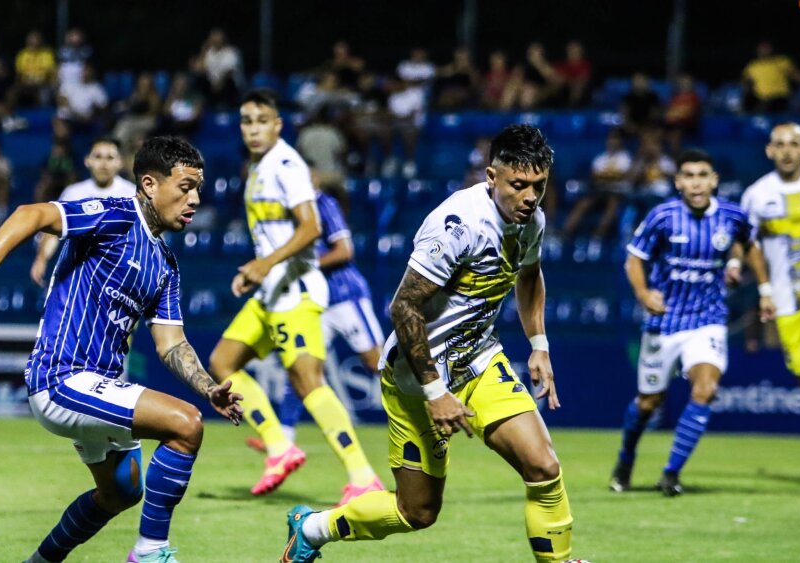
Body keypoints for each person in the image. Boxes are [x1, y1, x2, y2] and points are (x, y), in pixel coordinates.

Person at [0, 136, 243, 563]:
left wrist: (208, 388)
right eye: (185, 186)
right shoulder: (114, 216)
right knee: (186, 425)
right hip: (60, 378)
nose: (194, 199)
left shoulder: (166, 265)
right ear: (150, 184)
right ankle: (150, 552)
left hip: (100, 384)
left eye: (198, 190)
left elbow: (170, 343)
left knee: (122, 492)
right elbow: (32, 214)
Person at [280, 124, 575, 563]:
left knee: (544, 467)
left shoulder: (531, 219)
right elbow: (403, 309)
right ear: (491, 177)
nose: (530, 197)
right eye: (519, 185)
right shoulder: (457, 224)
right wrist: (436, 392)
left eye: (539, 185)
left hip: (478, 359)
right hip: (416, 377)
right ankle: (313, 528)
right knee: (417, 510)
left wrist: (539, 343)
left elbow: (529, 274)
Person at [208, 88, 384, 503]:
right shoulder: (258, 168)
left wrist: (264, 265)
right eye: (246, 121)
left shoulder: (287, 164)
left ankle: (362, 475)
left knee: (308, 382)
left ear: (277, 125)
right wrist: (259, 272)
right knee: (221, 363)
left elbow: (311, 228)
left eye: (261, 120)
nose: (253, 129)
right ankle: (280, 446)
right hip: (271, 293)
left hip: (297, 292)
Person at [609, 149, 775, 497]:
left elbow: (750, 244)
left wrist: (764, 288)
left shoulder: (732, 216)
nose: (696, 182)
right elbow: (634, 259)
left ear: (714, 180)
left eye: (703, 175)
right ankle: (625, 459)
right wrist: (643, 294)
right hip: (663, 322)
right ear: (678, 181)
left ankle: (671, 473)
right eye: (689, 175)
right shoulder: (662, 216)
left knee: (706, 389)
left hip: (708, 320)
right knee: (647, 404)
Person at [246, 171, 385, 451]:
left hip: (346, 295)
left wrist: (301, 266)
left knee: (377, 362)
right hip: (315, 301)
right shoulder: (290, 213)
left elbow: (344, 250)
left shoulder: (323, 203)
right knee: (300, 366)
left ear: (315, 179)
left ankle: (425, 408)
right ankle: (284, 439)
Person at [741, 123, 800, 433]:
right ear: (770, 151)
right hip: (786, 298)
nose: (787, 150)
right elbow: (745, 244)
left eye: (794, 144)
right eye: (780, 144)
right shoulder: (757, 195)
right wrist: (758, 283)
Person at [30, 136, 136, 286]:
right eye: (98, 157)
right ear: (88, 161)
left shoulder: (132, 194)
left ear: (120, 163)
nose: (104, 164)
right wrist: (41, 259)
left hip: (120, 275)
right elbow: (52, 230)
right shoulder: (73, 193)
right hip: (79, 274)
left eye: (110, 157)